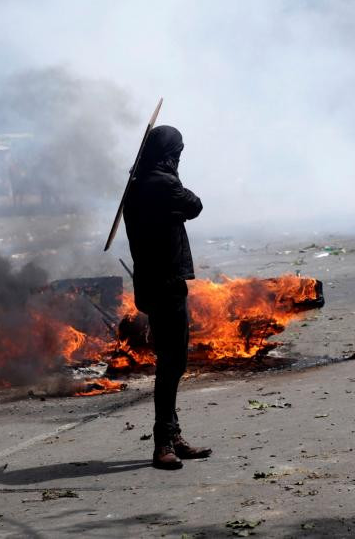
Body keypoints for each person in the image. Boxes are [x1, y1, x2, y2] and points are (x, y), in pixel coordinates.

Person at [123, 125, 211, 470]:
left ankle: (172, 435)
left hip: (149, 282)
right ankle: (163, 443)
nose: (178, 159)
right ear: (168, 154)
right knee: (172, 363)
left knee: (171, 362)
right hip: (166, 283)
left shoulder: (136, 185)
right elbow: (195, 206)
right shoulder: (162, 183)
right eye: (177, 153)